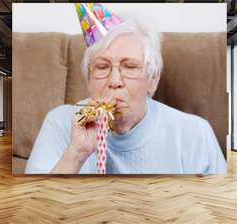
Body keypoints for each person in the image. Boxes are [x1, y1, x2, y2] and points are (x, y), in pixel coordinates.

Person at [25, 5, 226, 174]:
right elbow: (33, 210)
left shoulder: (194, 134)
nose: (114, 81)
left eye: (130, 67)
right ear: (88, 79)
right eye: (102, 67)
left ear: (153, 79)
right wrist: (76, 153)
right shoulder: (59, 123)